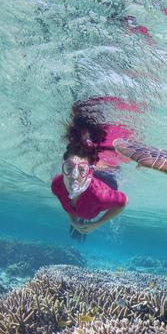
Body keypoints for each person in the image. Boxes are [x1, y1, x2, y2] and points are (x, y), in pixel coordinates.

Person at [51, 99, 131, 242]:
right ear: (63, 167)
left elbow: (123, 202)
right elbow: (69, 205)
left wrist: (97, 224)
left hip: (108, 178)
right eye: (69, 168)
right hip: (97, 176)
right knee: (84, 214)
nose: (73, 176)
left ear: (89, 171)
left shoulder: (100, 195)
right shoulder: (57, 185)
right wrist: (72, 220)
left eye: (81, 169)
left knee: (86, 213)